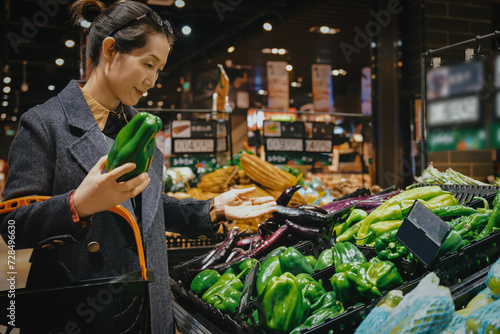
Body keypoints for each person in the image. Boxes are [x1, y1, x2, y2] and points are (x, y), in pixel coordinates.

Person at [0, 0, 276, 333]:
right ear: (110, 50)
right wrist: (78, 206)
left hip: (148, 307)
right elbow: (12, 227)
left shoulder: (141, 129)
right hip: (83, 311)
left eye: (159, 69)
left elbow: (144, 208)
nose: (152, 80)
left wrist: (211, 209)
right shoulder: (45, 124)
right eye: (148, 64)